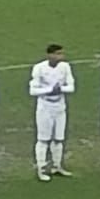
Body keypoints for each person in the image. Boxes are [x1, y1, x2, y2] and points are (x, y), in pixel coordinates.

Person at [29, 42, 76, 181]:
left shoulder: (65, 67)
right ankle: (41, 168)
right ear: (50, 55)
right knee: (43, 139)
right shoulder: (39, 68)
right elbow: (32, 90)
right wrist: (50, 90)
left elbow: (71, 87)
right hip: (45, 107)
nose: (61, 56)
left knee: (59, 138)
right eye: (58, 53)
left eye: (61, 53)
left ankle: (57, 166)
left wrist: (60, 89)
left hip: (60, 107)